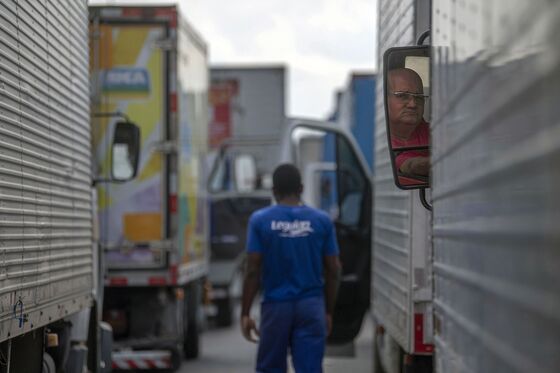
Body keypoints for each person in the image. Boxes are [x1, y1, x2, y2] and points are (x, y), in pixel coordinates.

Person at [241, 163, 341, 373]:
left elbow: (252, 270)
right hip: (311, 306)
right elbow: (333, 270)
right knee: (310, 368)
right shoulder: (322, 221)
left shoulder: (260, 221)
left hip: (275, 306)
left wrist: (245, 313)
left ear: (274, 191)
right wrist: (328, 311)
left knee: (270, 368)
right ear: (301, 188)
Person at [387, 68, 430, 180]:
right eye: (403, 96)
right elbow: (412, 166)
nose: (413, 104)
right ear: (384, 100)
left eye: (419, 97)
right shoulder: (381, 142)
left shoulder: (439, 132)